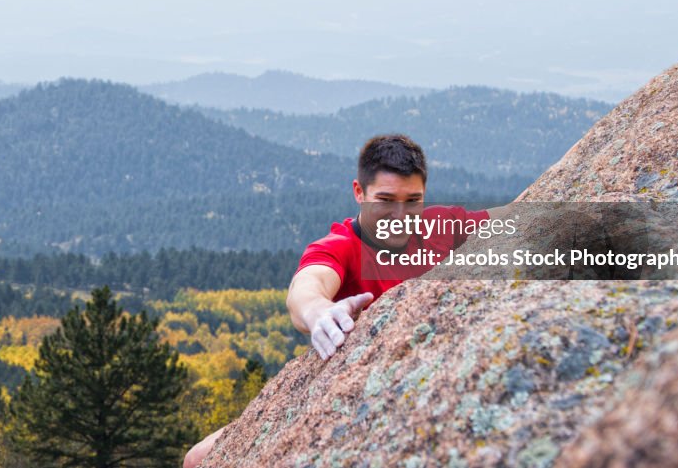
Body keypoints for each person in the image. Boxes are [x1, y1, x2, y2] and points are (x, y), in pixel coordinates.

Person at [183, 133, 511, 468]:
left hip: (433, 379)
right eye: (385, 199)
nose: (401, 215)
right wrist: (319, 312)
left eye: (413, 200)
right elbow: (307, 287)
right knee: (197, 459)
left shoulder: (441, 225)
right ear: (359, 192)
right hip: (354, 392)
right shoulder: (341, 246)